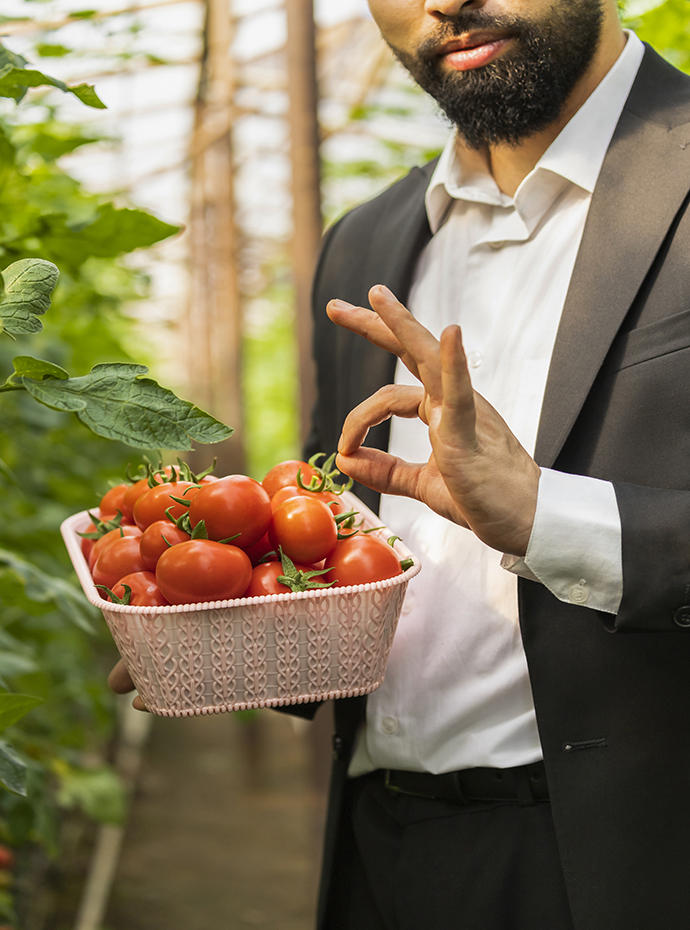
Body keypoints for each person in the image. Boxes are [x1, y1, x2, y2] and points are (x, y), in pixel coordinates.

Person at [110, 0, 690, 927]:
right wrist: (221, 628)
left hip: (630, 862)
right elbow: (329, 538)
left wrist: (548, 515)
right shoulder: (365, 243)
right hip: (380, 855)